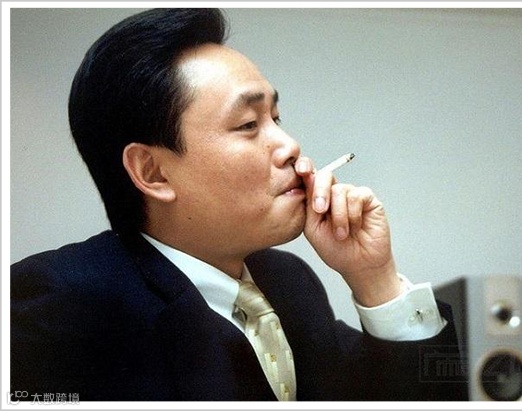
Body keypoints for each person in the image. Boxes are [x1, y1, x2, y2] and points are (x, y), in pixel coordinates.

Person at [11, 8, 467, 401]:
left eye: (277, 118)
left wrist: (376, 279)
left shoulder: (289, 283)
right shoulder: (60, 305)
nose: (289, 145)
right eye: (249, 124)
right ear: (153, 173)